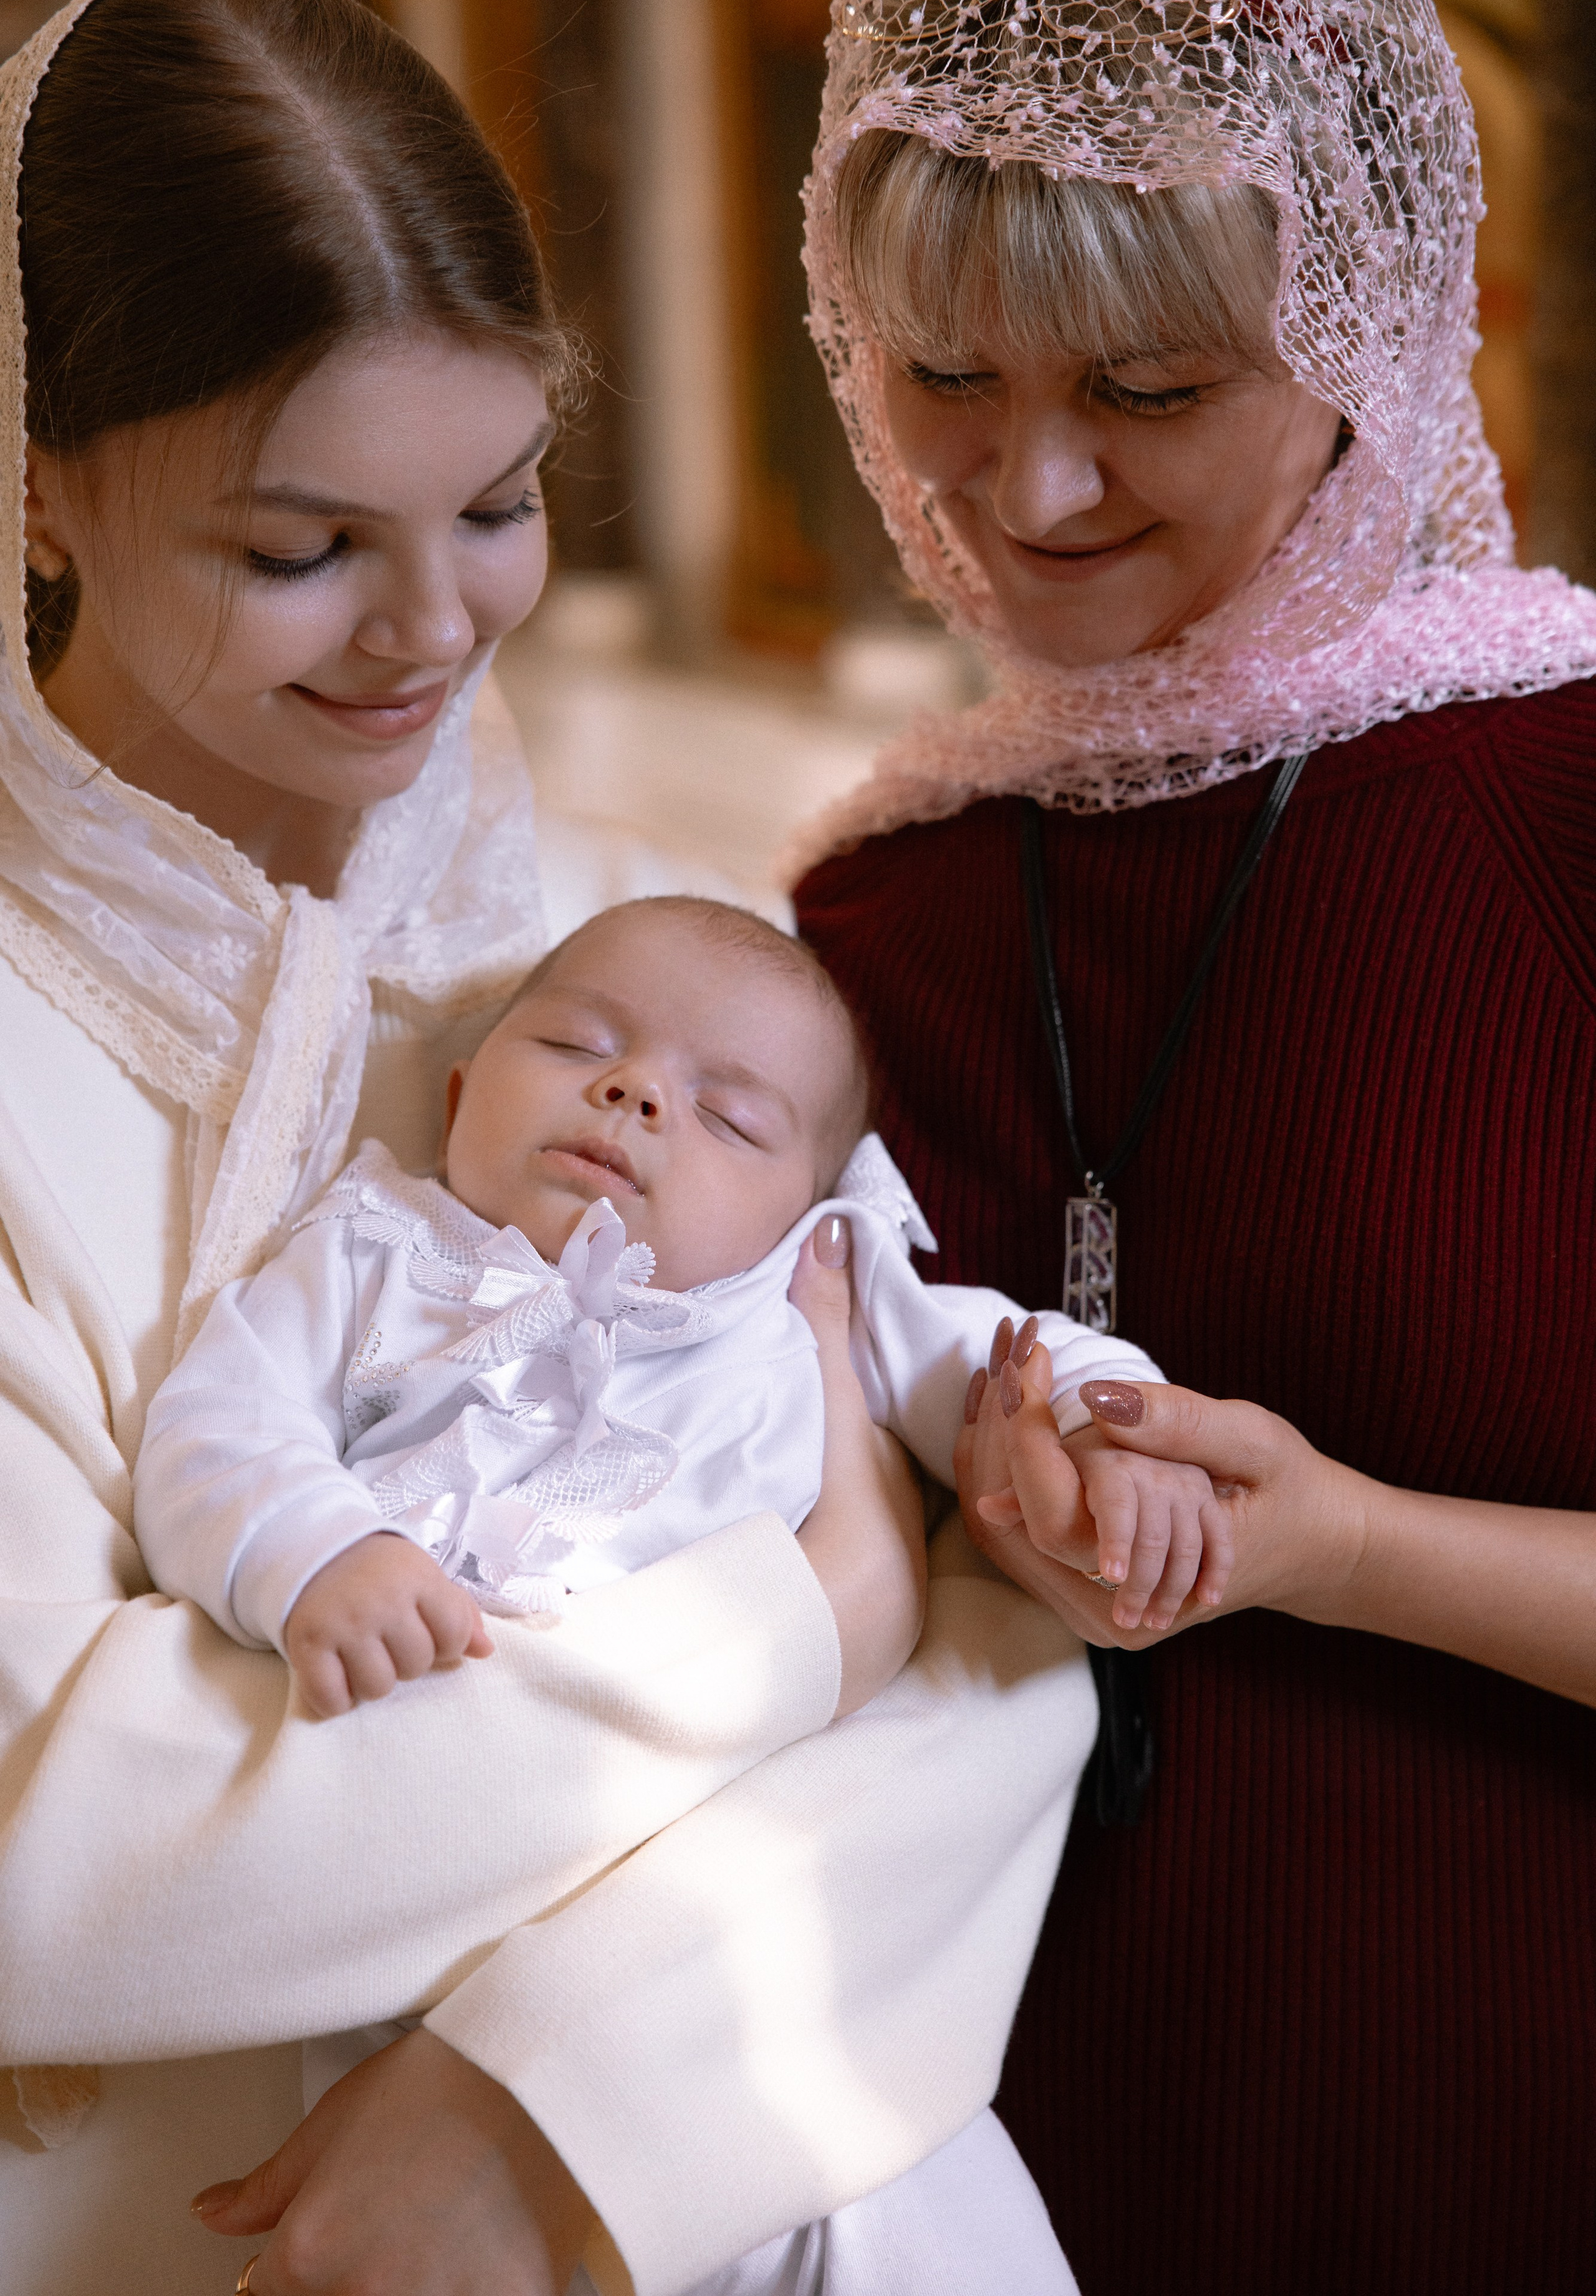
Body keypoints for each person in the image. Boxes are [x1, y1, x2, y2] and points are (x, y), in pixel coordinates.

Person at [0, 0, 1104, 2296]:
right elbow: (48, 1851)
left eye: (496, 504)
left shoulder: (636, 957)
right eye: (300, 547)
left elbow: (1000, 1674)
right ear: (37, 481)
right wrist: (804, 1612)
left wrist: (569, 2098)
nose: (432, 631)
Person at [788, 0, 1596, 2292]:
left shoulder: (1556, 815)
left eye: (1146, 386)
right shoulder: (867, 918)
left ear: (1361, 330)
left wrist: (1338, 1541)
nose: (1028, 486)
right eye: (944, 370)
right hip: (1004, 2187)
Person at [139, 893, 1187, 2295]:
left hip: (731, 1939)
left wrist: (1108, 1438)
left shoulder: (823, 1296)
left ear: (808, 1207)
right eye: (578, 1043)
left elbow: (1008, 1360)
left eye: (732, 1117)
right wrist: (315, 1551)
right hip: (444, 1912)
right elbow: (217, 1428)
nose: (632, 1092)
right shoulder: (378, 1246)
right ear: (460, 1093)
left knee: (920, 2194)